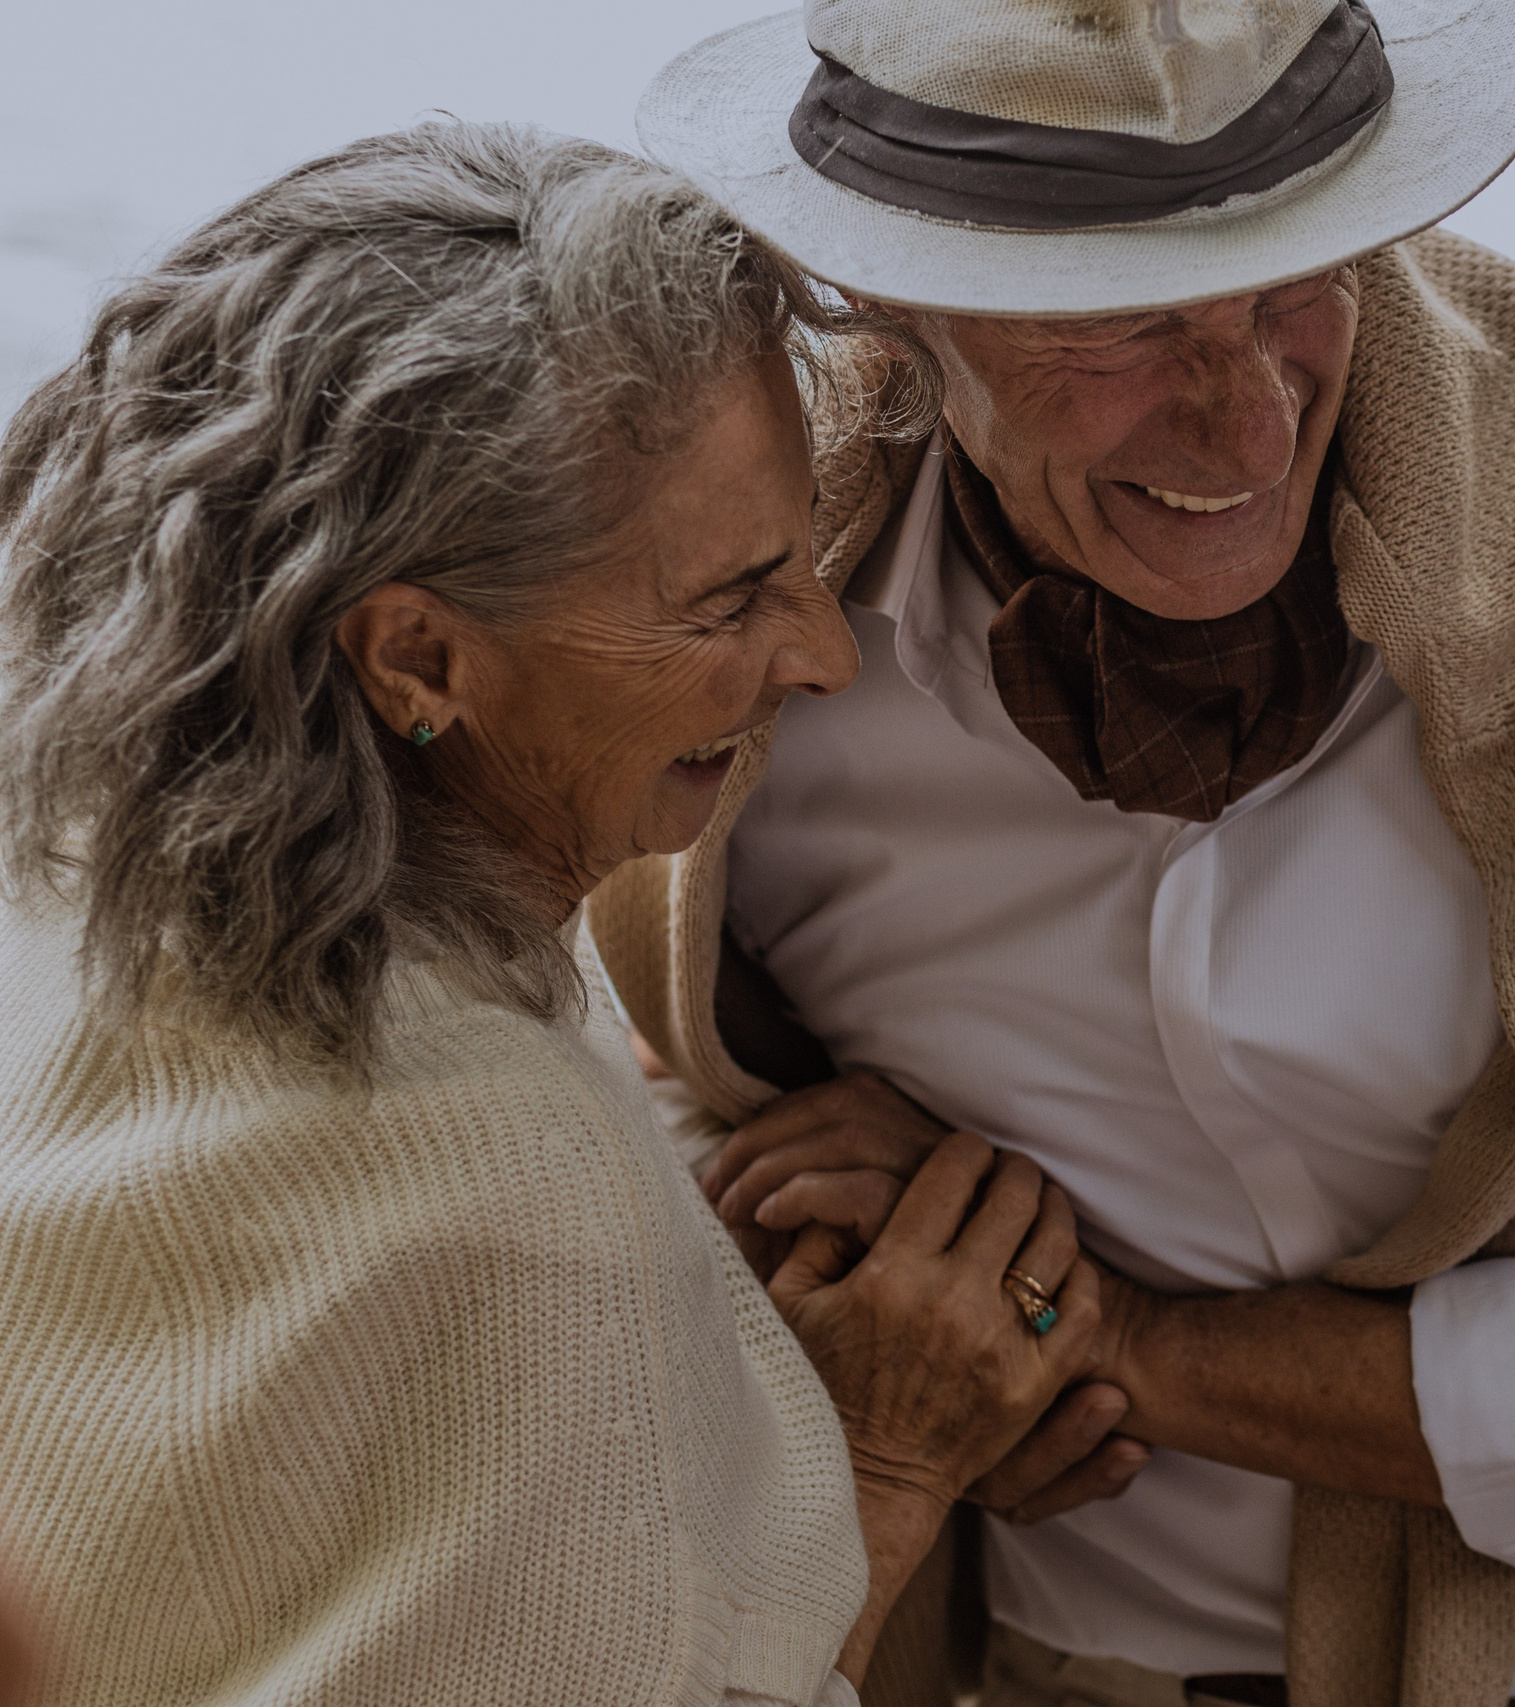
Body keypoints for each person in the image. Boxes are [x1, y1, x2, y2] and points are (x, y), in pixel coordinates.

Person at [606, 0, 1515, 1704]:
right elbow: (657, 1079)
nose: (1252, 429)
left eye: (1295, 278)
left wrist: (1090, 1341)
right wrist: (865, 1312)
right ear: (891, 293)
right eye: (1123, 324)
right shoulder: (730, 603)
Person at [0, 121, 1099, 1707]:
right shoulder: (516, 1185)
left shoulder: (71, 812)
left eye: (810, 568)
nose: (825, 657)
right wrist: (882, 1453)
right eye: (731, 598)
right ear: (420, 661)